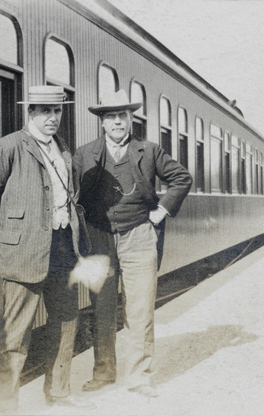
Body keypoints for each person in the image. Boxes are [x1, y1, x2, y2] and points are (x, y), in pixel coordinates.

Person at [0, 85, 94, 414]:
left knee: (67, 319)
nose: (52, 118)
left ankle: (58, 392)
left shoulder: (63, 148)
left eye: (57, 111)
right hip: (24, 251)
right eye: (44, 111)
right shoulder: (7, 147)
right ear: (30, 113)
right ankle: (8, 407)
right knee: (16, 334)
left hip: (63, 247)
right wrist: (14, 233)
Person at [73, 90, 192, 397]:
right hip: (98, 237)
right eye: (110, 117)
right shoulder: (84, 154)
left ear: (130, 119)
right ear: (101, 122)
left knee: (139, 310)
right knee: (100, 307)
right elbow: (70, 192)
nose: (117, 122)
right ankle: (104, 372)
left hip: (139, 235)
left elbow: (182, 178)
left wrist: (161, 210)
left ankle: (138, 376)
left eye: (122, 116)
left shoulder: (149, 150)